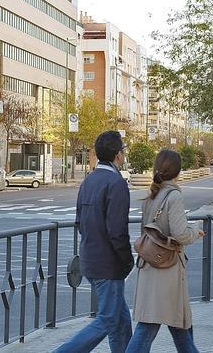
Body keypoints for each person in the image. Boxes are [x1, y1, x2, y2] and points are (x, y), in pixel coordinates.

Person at [55, 131, 134, 353]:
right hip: (108, 265)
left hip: (90, 259)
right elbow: (118, 232)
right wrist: (128, 261)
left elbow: (80, 222)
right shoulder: (116, 183)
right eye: (123, 152)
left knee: (121, 321)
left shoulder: (88, 181)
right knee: (108, 320)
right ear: (118, 155)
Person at [125, 149, 205, 353]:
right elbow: (181, 234)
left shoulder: (152, 194)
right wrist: (196, 231)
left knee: (180, 326)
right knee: (151, 326)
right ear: (178, 172)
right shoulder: (173, 196)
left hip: (151, 265)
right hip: (167, 271)